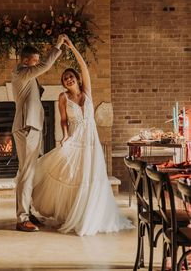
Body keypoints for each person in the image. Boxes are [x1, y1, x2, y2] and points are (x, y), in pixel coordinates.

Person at [31, 36, 133, 236]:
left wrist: (72, 47)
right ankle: (71, 213)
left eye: (71, 76)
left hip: (91, 141)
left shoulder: (87, 92)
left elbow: (84, 67)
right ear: (64, 83)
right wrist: (65, 136)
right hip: (75, 138)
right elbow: (63, 120)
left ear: (76, 79)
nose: (68, 79)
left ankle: (90, 214)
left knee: (92, 176)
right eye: (65, 78)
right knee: (72, 175)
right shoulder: (63, 97)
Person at [12, 34, 66, 232]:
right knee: (27, 173)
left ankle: (27, 212)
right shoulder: (22, 72)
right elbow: (45, 66)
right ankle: (22, 218)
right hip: (27, 128)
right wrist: (58, 45)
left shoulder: (26, 75)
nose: (37, 65)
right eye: (34, 61)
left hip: (30, 127)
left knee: (28, 173)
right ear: (26, 61)